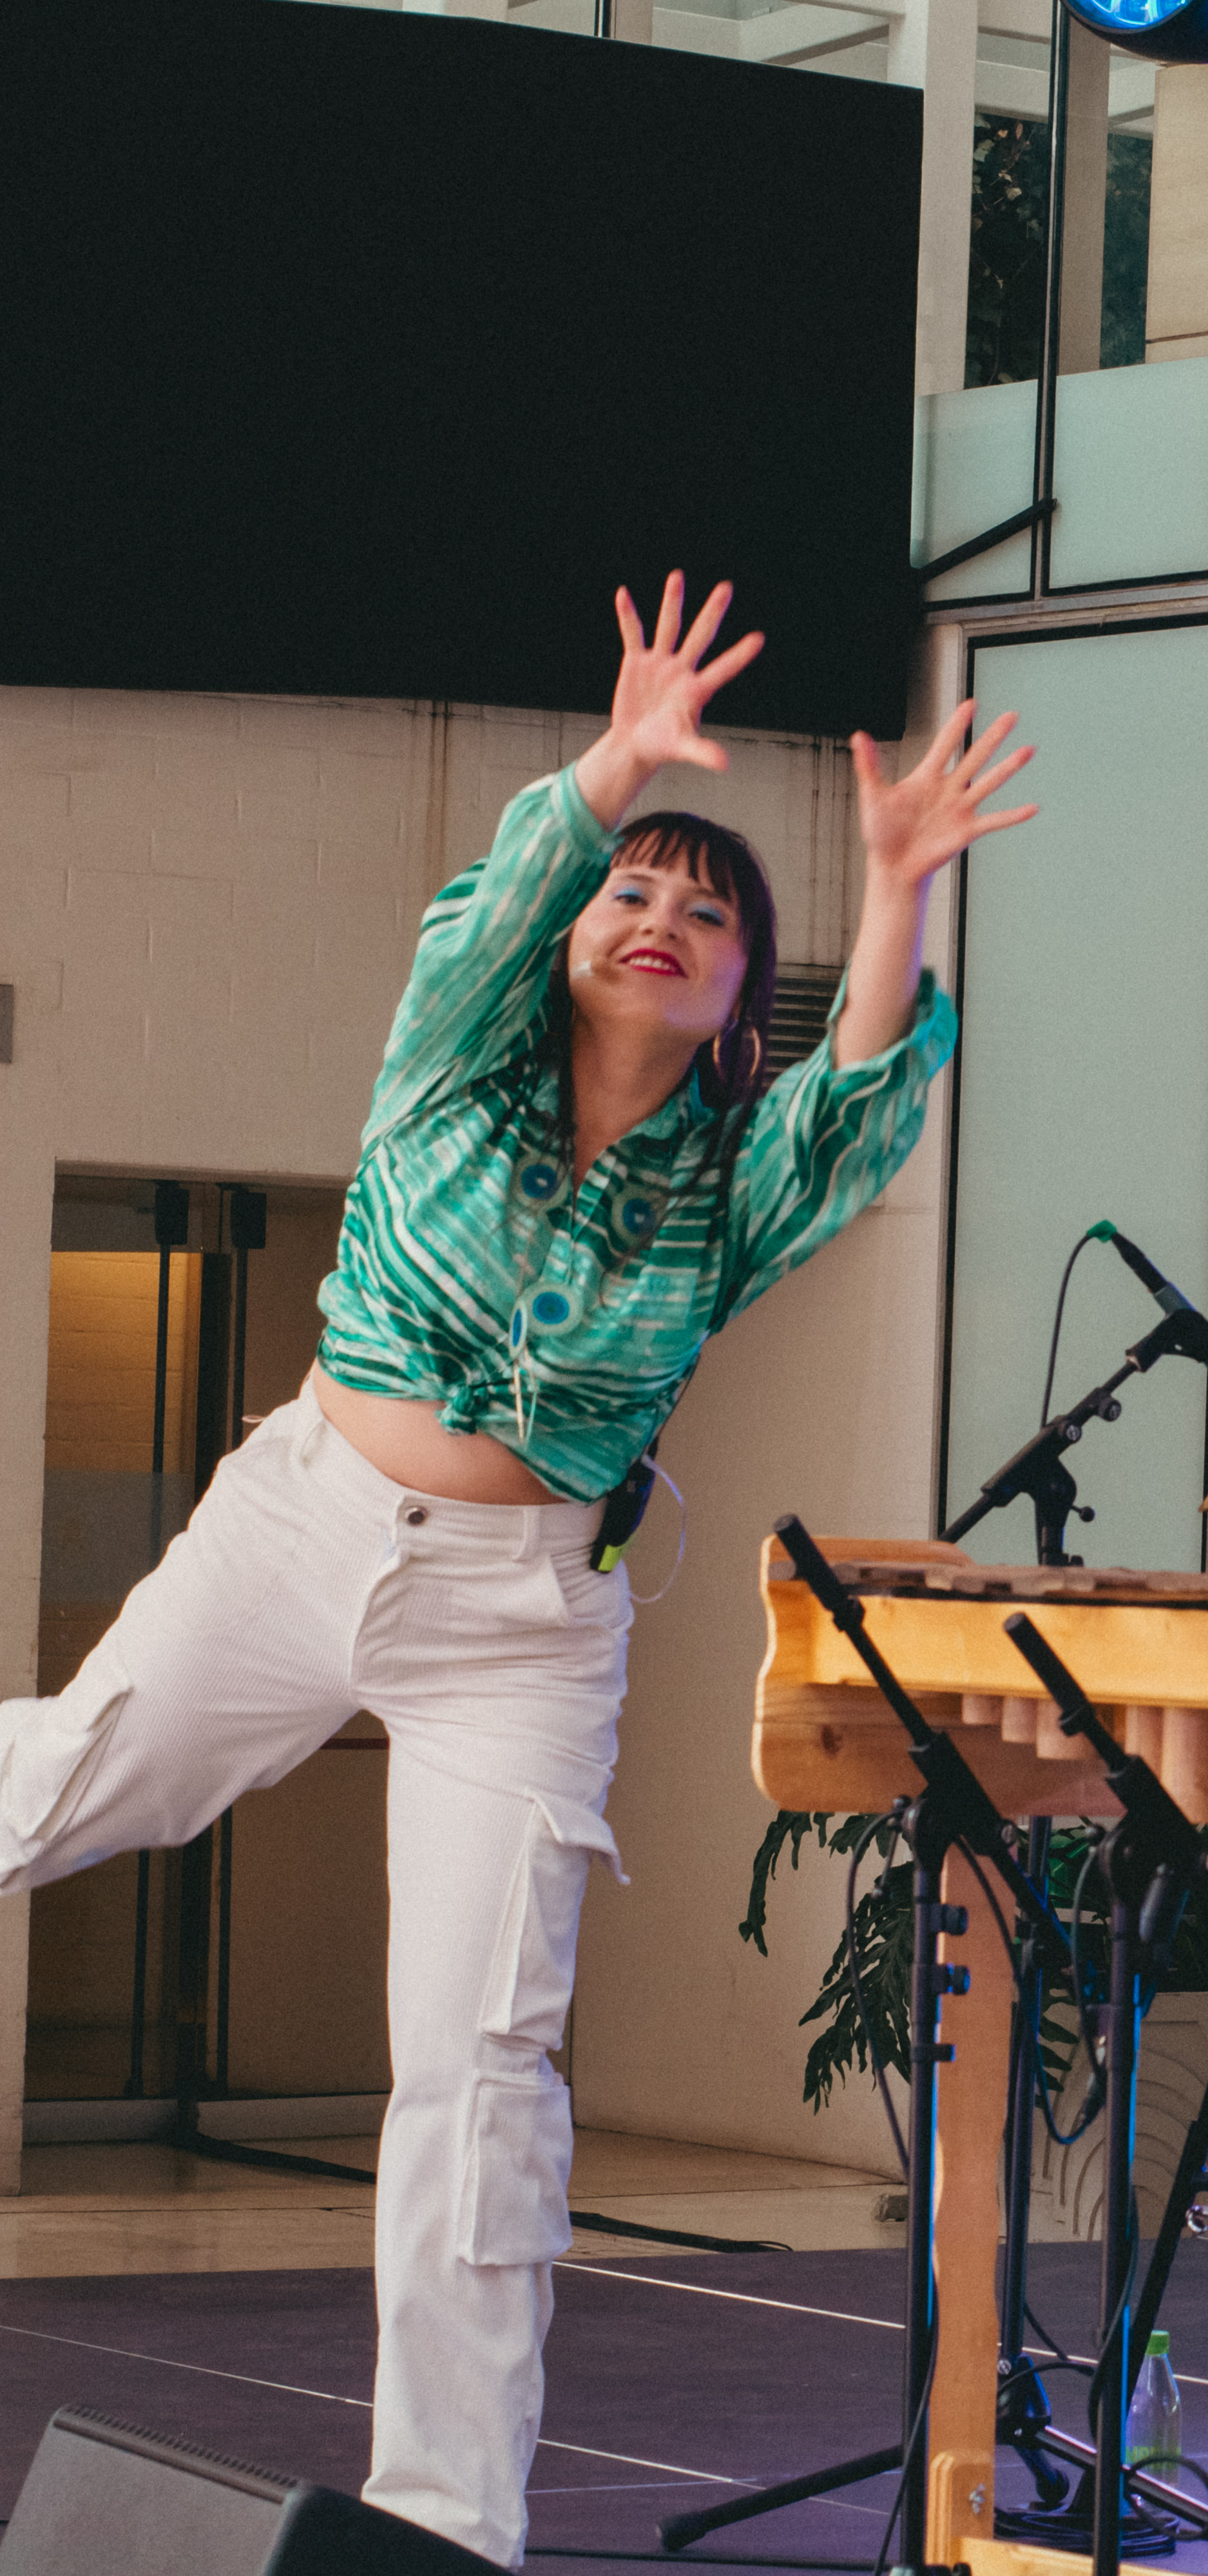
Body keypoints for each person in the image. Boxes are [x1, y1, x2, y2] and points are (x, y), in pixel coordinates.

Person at [0, 576, 1036, 2568]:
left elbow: (854, 1105)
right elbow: (487, 916)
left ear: (739, 999)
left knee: (481, 2070)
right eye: (632, 893)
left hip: (526, 1620)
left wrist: (900, 886)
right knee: (59, 1787)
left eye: (711, 919)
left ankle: (445, 2529)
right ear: (571, 936)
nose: (662, 920)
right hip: (302, 1526)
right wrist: (621, 766)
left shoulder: (727, 1194)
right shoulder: (452, 1065)